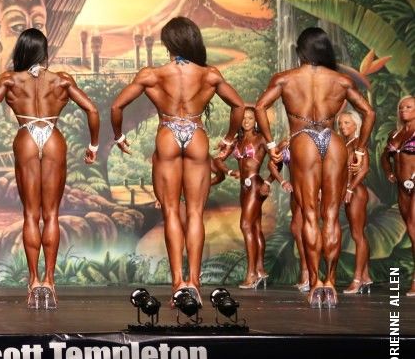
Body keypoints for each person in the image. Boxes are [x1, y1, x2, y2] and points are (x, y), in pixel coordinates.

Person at [110, 17, 244, 304]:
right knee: (195, 213)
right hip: (196, 133)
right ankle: (194, 282)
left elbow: (117, 105)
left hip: (168, 133)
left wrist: (119, 136)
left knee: (171, 212)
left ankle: (178, 284)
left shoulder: (153, 74)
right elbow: (238, 105)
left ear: (168, 43)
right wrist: (229, 139)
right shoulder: (209, 74)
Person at [0, 28, 99, 309]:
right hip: (52, 135)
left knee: (31, 215)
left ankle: (33, 283)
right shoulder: (61, 80)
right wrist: (93, 145)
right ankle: (50, 283)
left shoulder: (9, 80)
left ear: (20, 50)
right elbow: (92, 110)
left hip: (26, 136)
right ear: (44, 52)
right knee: (51, 214)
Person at [255, 27, 374, 308]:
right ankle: (330, 283)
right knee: (331, 216)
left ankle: (315, 283)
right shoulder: (340, 80)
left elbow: (260, 107)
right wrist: (359, 149)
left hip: (303, 139)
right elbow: (369, 112)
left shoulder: (285, 78)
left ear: (300, 51)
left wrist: (271, 145)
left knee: (310, 215)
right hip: (332, 141)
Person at [213, 107, 271, 289]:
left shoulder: (261, 138)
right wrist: (230, 171)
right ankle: (261, 270)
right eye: (243, 118)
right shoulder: (236, 141)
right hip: (243, 187)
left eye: (250, 118)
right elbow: (217, 160)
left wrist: (268, 182)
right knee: (255, 227)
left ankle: (251, 273)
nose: (246, 121)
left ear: (256, 120)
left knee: (245, 225)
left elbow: (277, 161)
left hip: (255, 184)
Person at [381, 95, 415, 297]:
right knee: (411, 232)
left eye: (408, 107)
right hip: (402, 189)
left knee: (413, 229)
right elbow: (385, 157)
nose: (404, 110)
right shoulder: (395, 134)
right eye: (401, 108)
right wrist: (389, 173)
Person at [267, 139, 310, 292]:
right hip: (295, 191)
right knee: (297, 229)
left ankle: (312, 275)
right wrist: (282, 181)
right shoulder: (287, 142)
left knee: (310, 229)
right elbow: (271, 164)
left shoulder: (313, 139)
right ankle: (306, 272)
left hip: (311, 188)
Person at [337, 110, 372, 294]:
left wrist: (350, 188)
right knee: (356, 233)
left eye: (347, 123)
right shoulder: (344, 143)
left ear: (356, 125)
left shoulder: (359, 143)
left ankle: (357, 279)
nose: (343, 126)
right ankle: (366, 277)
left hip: (356, 192)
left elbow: (364, 169)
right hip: (348, 191)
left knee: (358, 235)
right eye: (341, 123)